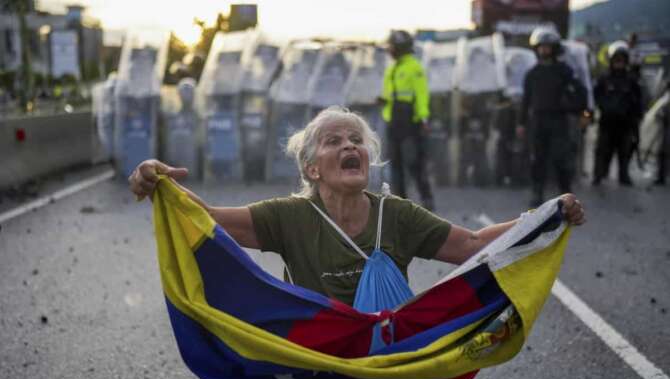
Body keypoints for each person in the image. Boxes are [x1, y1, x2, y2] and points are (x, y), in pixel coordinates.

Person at [129, 106, 585, 307]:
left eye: (357, 140)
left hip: (386, 363)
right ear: (312, 169)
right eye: (334, 141)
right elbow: (207, 220)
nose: (351, 146)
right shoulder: (288, 217)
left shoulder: (397, 214)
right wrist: (156, 181)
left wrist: (543, 217)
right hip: (316, 361)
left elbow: (471, 245)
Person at [517, 27, 587, 207]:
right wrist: (521, 123)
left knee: (560, 158)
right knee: (537, 159)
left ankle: (566, 194)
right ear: (536, 48)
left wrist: (579, 111)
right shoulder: (532, 74)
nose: (544, 50)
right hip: (538, 121)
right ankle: (537, 192)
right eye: (541, 47)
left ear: (554, 48)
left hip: (558, 121)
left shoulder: (564, 70)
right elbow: (526, 100)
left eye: (547, 47)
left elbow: (580, 92)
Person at [380, 30, 434, 210]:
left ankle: (426, 199)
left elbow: (421, 95)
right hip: (394, 121)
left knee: (414, 162)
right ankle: (400, 201)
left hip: (410, 121)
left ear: (401, 47)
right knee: (395, 162)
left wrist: (424, 119)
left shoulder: (414, 67)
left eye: (392, 46)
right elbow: (390, 94)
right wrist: (383, 101)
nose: (390, 50)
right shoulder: (393, 68)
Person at [592, 41, 643, 186]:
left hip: (625, 123)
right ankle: (598, 175)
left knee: (624, 151)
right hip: (607, 122)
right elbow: (596, 96)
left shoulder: (631, 80)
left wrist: (637, 117)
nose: (619, 62)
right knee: (602, 150)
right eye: (616, 59)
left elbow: (639, 100)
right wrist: (603, 107)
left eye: (622, 59)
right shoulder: (604, 78)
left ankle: (624, 175)